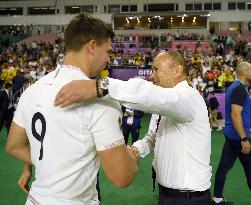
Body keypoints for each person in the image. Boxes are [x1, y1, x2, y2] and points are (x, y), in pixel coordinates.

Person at [5, 13, 138, 205]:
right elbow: (121, 177)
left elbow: (14, 146)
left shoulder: (32, 90)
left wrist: (51, 161)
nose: (109, 59)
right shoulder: (100, 100)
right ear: (92, 46)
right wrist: (132, 159)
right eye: (108, 51)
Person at [54, 51, 212, 205]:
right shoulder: (167, 103)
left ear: (178, 71)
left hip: (189, 198)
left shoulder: (189, 98)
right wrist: (137, 149)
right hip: (167, 193)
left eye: (156, 69)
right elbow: (152, 137)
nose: (152, 75)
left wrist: (101, 86)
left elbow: (149, 95)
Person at [212, 62, 251, 205]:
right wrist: (244, 138)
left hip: (231, 136)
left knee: (224, 166)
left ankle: (217, 198)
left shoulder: (235, 87)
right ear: (245, 73)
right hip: (238, 137)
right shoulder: (239, 89)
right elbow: (235, 115)